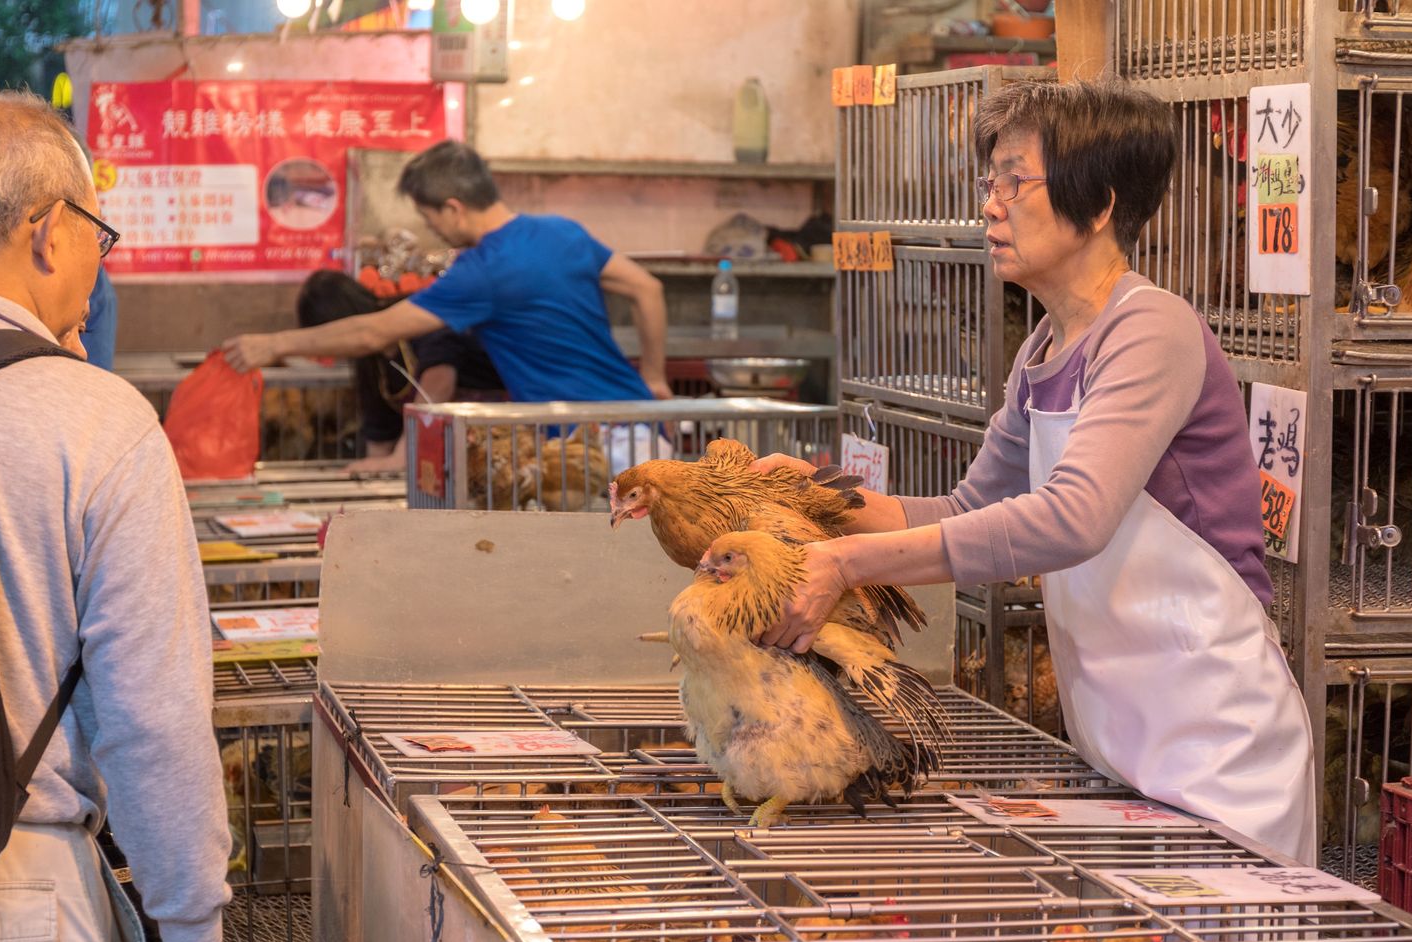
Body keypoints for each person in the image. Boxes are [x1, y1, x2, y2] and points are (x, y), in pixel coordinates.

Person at [756, 79, 1317, 865]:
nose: (991, 204)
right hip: (1122, 746)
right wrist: (813, 502)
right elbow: (965, 507)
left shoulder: (1150, 330)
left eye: (1015, 180)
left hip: (1216, 748)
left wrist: (847, 562)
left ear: (1097, 205)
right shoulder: (1044, 350)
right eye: (990, 181)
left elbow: (1072, 518)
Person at [0, 92, 242, 942]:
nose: (98, 263)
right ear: (44, 235)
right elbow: (150, 714)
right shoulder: (90, 420)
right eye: (96, 234)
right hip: (4, 909)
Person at [222, 139, 672, 405]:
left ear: (453, 208)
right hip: (640, 425)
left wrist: (274, 343)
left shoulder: (481, 272)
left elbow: (372, 332)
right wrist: (653, 376)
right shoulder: (563, 232)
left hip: (585, 447)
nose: (432, 229)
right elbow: (647, 289)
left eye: (430, 216)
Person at [295, 269, 506, 473]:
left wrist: (401, 457)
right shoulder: (368, 361)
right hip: (454, 459)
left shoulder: (414, 315)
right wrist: (372, 471)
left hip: (505, 436)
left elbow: (439, 385)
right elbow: (380, 436)